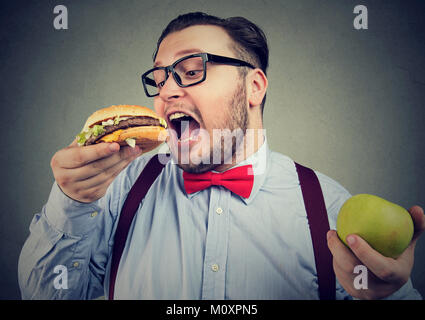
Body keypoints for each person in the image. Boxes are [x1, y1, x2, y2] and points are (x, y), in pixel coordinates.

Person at [18, 12, 424, 300]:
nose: (166, 92)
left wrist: (385, 296)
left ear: (254, 87)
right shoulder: (119, 188)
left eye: (192, 70)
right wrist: (69, 205)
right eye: (159, 79)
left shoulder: (330, 207)